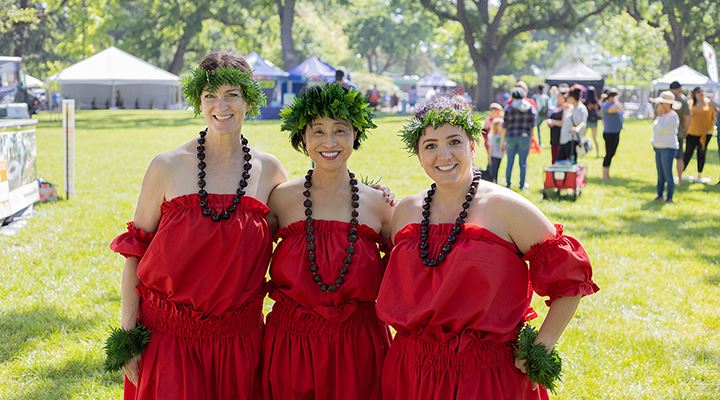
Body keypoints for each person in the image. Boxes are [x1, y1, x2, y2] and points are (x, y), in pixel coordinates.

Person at [377, 94, 599, 399]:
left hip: (485, 377)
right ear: (418, 154)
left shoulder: (506, 208)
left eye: (454, 141)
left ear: (473, 144)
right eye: (430, 145)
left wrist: (541, 346)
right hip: (411, 372)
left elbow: (570, 282)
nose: (444, 155)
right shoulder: (405, 212)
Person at [108, 51, 287, 399]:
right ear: (199, 102)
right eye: (210, 95)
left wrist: (370, 193)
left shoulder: (270, 172)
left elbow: (307, 219)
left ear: (249, 99)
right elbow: (135, 253)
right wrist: (128, 336)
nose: (221, 104)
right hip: (168, 340)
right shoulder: (168, 166)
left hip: (240, 344)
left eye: (231, 94)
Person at [262, 84, 393, 399]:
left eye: (340, 130)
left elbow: (408, 273)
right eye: (317, 131)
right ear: (302, 138)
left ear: (355, 135)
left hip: (359, 347)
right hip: (291, 346)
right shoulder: (280, 198)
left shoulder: (379, 205)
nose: (329, 141)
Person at [502, 87, 537, 190]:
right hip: (525, 138)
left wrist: (502, 141)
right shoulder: (530, 108)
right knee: (523, 163)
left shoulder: (509, 108)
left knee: (510, 162)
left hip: (511, 138)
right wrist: (531, 138)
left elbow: (505, 127)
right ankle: (522, 185)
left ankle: (508, 183)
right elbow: (532, 126)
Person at [650, 91, 681, 203]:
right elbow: (655, 126)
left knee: (667, 173)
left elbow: (662, 128)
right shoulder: (660, 116)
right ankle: (659, 195)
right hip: (658, 147)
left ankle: (669, 197)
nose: (661, 105)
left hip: (668, 148)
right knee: (660, 173)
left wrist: (660, 115)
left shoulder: (673, 116)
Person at [683, 87, 718, 183]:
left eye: (702, 92)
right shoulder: (690, 103)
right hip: (691, 132)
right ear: (694, 94)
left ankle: (699, 174)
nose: (700, 94)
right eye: (698, 93)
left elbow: (715, 115)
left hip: (706, 133)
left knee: (701, 153)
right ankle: (680, 173)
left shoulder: (709, 103)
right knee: (688, 153)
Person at [557, 87, 588, 163]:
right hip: (565, 140)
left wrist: (577, 128)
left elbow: (583, 122)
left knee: (571, 164)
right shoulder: (572, 108)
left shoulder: (581, 109)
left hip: (572, 141)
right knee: (561, 162)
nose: (566, 99)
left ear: (573, 98)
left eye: (568, 97)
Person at [669, 81, 691, 183]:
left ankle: (666, 179)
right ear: (679, 88)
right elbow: (687, 118)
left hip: (665, 133)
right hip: (678, 133)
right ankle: (680, 179)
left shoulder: (664, 100)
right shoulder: (682, 101)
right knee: (679, 157)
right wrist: (685, 130)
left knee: (666, 158)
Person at [600, 89, 624, 181]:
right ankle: (605, 175)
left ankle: (607, 174)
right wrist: (616, 101)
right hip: (609, 133)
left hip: (616, 132)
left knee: (612, 153)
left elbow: (621, 108)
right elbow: (614, 109)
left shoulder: (614, 105)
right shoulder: (606, 105)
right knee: (609, 154)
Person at [546, 87, 567, 164]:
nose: (557, 97)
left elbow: (564, 123)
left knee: (560, 162)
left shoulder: (566, 108)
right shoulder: (556, 107)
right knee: (554, 160)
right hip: (554, 138)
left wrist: (553, 122)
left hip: (561, 139)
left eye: (559, 96)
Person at [584, 86, 600, 157]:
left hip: (587, 121)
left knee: (581, 137)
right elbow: (598, 111)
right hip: (594, 121)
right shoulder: (596, 102)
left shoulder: (586, 102)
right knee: (594, 138)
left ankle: (581, 152)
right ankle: (597, 154)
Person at [487, 117, 505, 183]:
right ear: (496, 126)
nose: (502, 126)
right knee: (493, 172)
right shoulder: (494, 136)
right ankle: (492, 182)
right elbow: (490, 148)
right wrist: (489, 158)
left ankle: (495, 182)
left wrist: (503, 153)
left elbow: (504, 147)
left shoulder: (503, 136)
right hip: (494, 156)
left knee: (496, 170)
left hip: (499, 156)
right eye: (501, 125)